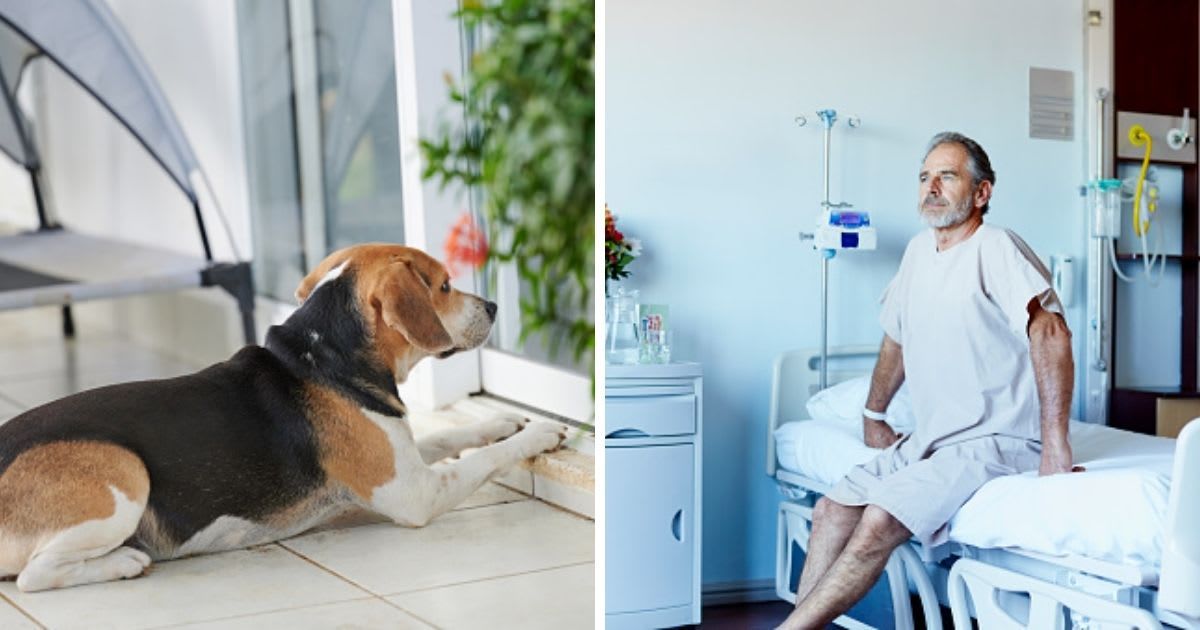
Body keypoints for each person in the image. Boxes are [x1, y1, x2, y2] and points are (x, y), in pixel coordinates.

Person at [778, 132, 1078, 630]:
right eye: (924, 177)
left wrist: (1055, 444)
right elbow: (897, 337)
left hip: (995, 439)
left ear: (981, 192)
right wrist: (873, 414)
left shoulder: (995, 246)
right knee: (831, 511)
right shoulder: (919, 251)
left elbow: (1051, 332)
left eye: (947, 176)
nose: (931, 187)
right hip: (932, 439)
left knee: (879, 519)